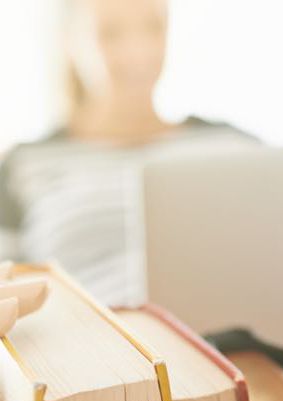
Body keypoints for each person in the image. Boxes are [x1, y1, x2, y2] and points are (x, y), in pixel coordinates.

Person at [0, 0, 258, 305]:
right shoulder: (23, 165)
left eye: (153, 27)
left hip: (235, 340)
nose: (139, 51)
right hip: (93, 342)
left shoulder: (236, 147)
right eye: (110, 33)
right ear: (69, 41)